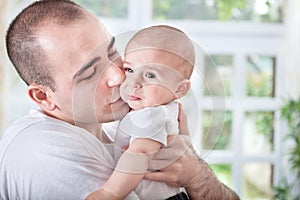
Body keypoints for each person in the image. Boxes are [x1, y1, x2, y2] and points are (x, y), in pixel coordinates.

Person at [0, 0, 240, 199]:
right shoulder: (44, 150)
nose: (118, 75)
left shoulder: (120, 127)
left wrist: (196, 174)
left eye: (112, 52)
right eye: (90, 73)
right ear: (43, 96)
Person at [87, 25, 195, 200]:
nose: (134, 83)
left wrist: (111, 192)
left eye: (150, 75)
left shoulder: (153, 115)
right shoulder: (155, 110)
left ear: (180, 89)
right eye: (129, 70)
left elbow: (140, 154)